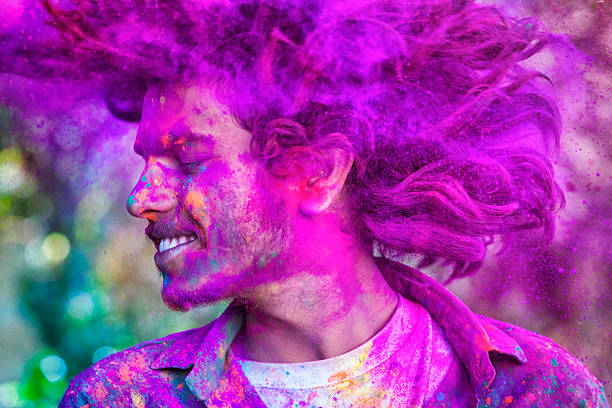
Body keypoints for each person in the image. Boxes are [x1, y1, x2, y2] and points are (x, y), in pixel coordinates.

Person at [6, 0, 607, 406]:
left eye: (188, 160)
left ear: (317, 173)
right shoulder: (121, 399)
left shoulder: (536, 390)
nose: (142, 199)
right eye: (145, 164)